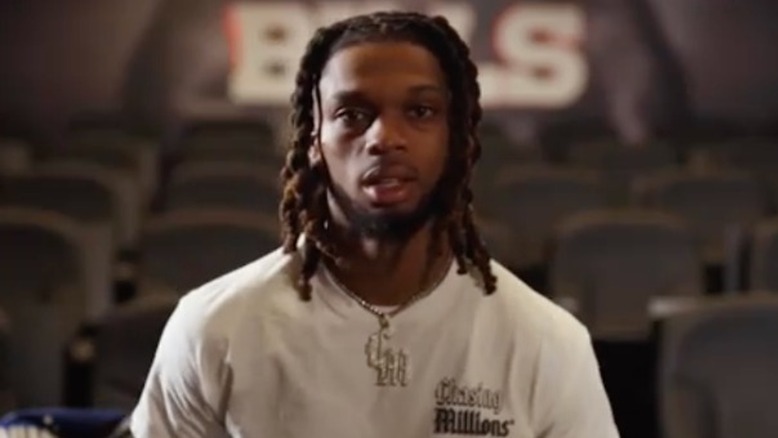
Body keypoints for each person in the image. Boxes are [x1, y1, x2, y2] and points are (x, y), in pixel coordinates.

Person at [130, 11, 619, 437]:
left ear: (457, 138)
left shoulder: (548, 342)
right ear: (313, 139)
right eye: (354, 114)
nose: (385, 137)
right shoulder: (213, 327)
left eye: (420, 111)